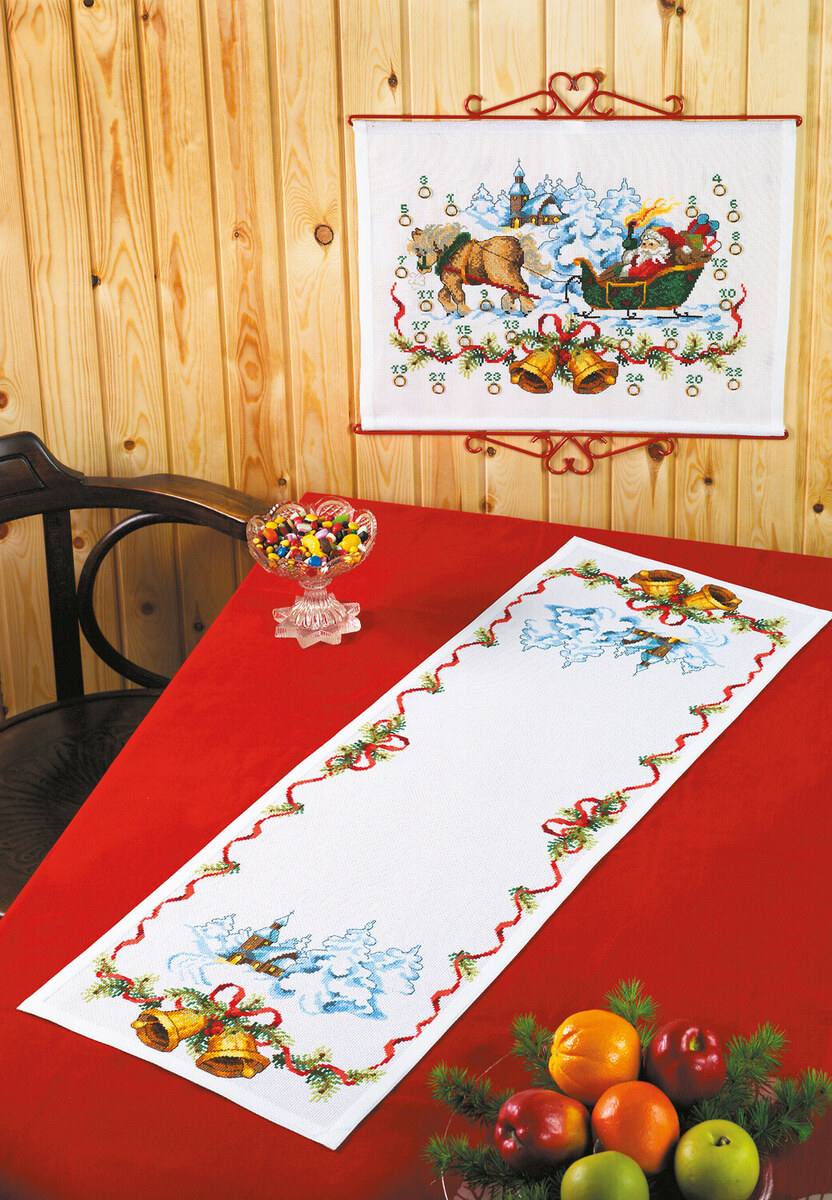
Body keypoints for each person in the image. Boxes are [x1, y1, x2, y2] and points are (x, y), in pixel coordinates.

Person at [599, 222, 711, 283]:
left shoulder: (658, 260)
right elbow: (636, 259)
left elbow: (642, 272)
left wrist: (624, 270)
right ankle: (600, 281)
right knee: (616, 266)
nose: (645, 247)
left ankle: (600, 283)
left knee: (616, 269)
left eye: (651, 244)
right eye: (644, 243)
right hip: (637, 276)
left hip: (641, 280)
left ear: (661, 247)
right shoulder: (647, 256)